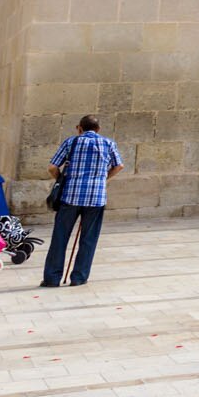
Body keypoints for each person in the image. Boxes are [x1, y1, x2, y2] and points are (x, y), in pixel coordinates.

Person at [41, 115, 125, 287]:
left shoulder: (71, 142)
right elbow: (119, 165)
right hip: (96, 198)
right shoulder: (108, 144)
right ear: (98, 129)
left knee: (60, 237)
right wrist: (104, 179)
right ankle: (79, 277)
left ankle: (52, 278)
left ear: (79, 128)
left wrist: (60, 179)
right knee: (88, 239)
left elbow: (52, 167)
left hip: (70, 195)